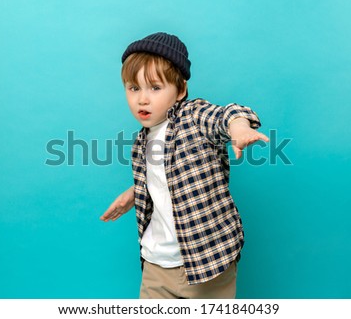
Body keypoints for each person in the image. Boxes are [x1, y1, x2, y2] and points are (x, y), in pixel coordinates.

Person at [100, 32, 269, 298]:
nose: (142, 99)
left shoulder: (193, 117)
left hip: (207, 261)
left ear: (180, 91)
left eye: (155, 88)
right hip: (156, 264)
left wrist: (239, 129)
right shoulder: (141, 141)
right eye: (134, 88)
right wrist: (135, 193)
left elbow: (228, 114)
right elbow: (165, 178)